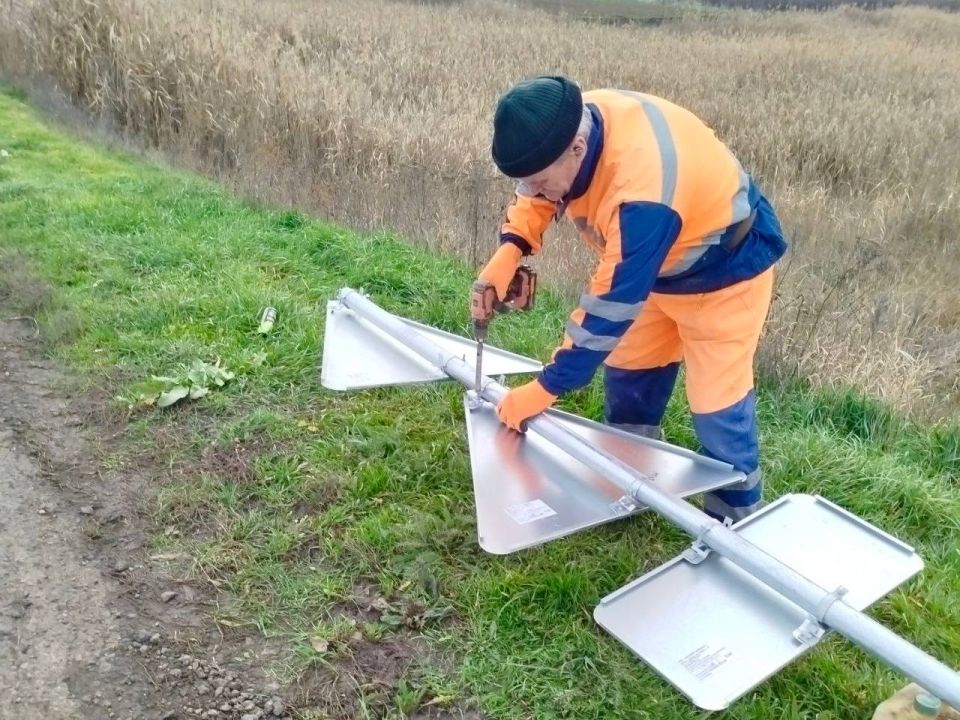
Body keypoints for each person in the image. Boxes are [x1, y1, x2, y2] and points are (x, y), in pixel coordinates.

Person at [476, 75, 787, 522]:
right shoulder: (568, 124)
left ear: (577, 151)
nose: (535, 193)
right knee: (630, 383)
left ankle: (734, 527)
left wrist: (546, 388)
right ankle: (628, 492)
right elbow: (540, 188)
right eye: (526, 184)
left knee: (718, 414)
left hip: (723, 274)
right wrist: (511, 247)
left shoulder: (642, 189)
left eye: (540, 183)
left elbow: (609, 309)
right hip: (655, 271)